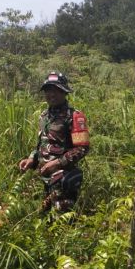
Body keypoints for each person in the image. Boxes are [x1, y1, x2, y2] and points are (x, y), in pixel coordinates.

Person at [18, 72, 90, 213]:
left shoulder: (74, 116)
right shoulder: (44, 116)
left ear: (64, 92)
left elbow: (82, 148)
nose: (51, 94)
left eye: (56, 90)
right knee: (44, 220)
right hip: (44, 179)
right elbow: (42, 144)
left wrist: (56, 163)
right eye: (48, 90)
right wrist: (31, 159)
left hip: (63, 179)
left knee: (63, 224)